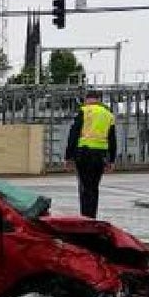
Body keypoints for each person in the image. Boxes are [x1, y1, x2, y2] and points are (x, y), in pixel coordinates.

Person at [64, 91, 118, 219]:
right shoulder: (108, 115)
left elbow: (74, 135)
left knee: (84, 187)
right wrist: (112, 160)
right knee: (94, 187)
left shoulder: (83, 111)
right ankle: (92, 216)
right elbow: (112, 139)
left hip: (84, 153)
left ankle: (85, 217)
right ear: (98, 99)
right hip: (100, 155)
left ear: (86, 99)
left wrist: (68, 157)